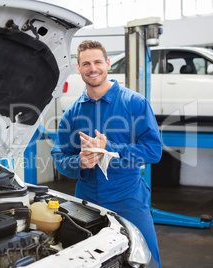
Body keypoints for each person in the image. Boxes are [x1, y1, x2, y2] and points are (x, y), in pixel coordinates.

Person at [51, 40, 162, 267]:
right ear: (78, 68)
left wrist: (109, 150)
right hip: (87, 201)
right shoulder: (72, 114)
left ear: (108, 63)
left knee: (145, 260)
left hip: (128, 198)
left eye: (98, 61)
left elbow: (153, 151)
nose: (93, 68)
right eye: (86, 63)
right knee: (89, 261)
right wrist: (79, 162)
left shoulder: (134, 103)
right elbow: (59, 157)